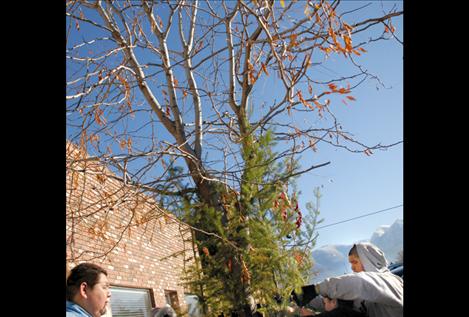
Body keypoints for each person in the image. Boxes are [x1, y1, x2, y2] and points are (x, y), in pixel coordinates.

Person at [292, 242, 403, 317]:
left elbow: (359, 282)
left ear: (369, 260)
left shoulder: (391, 282)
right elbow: (327, 300)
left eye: (355, 262)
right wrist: (293, 297)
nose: (352, 268)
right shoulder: (364, 295)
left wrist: (316, 288)